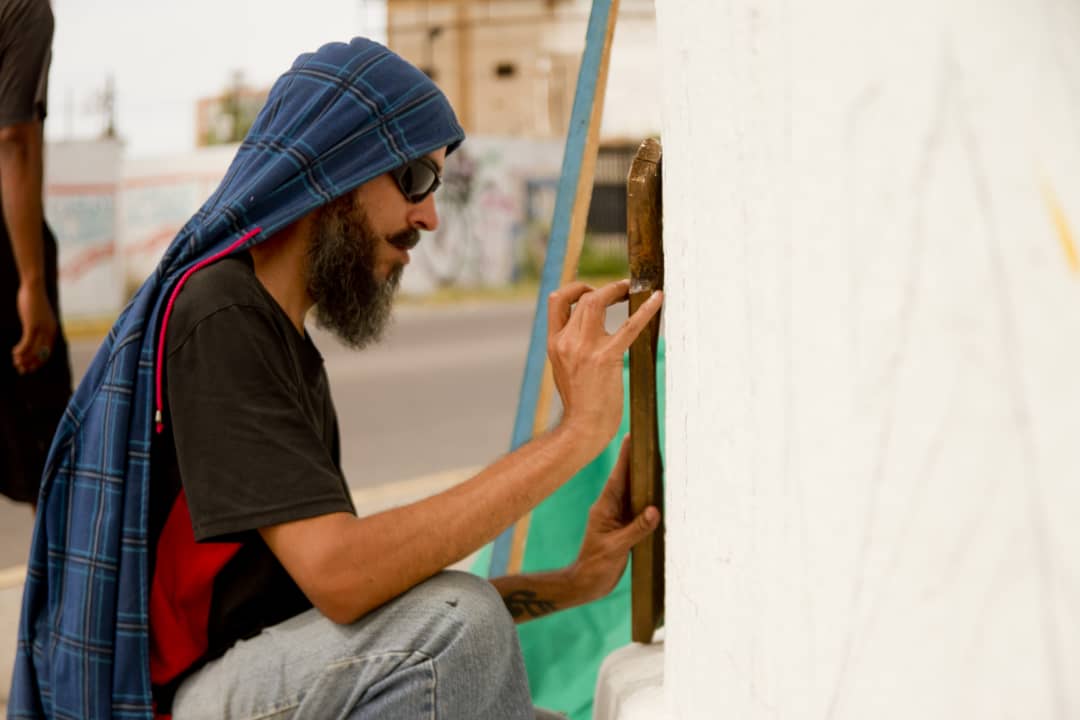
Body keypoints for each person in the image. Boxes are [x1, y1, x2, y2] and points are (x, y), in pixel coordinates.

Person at [11, 38, 662, 719]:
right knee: (455, 620)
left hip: (266, 675)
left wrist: (573, 584)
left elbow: (362, 613)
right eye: (414, 178)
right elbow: (347, 579)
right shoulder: (221, 314)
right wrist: (577, 435)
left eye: (436, 186)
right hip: (189, 702)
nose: (429, 216)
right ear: (338, 162)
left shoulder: (278, 338)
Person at [0, 0, 72, 507]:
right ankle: (71, 587)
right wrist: (31, 281)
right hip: (4, 245)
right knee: (53, 457)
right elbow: (13, 139)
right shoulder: (24, 7)